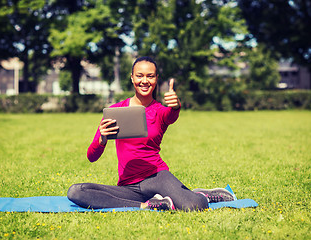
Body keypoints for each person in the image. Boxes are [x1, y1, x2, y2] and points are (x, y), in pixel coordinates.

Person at [67, 56, 234, 211]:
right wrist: (102, 140)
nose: (144, 81)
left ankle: (201, 195)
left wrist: (176, 105)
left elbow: (172, 115)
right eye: (139, 76)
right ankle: (147, 205)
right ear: (132, 78)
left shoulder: (160, 112)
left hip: (157, 177)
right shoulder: (115, 111)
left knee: (193, 205)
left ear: (156, 79)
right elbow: (91, 157)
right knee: (76, 192)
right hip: (128, 186)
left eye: (150, 76)